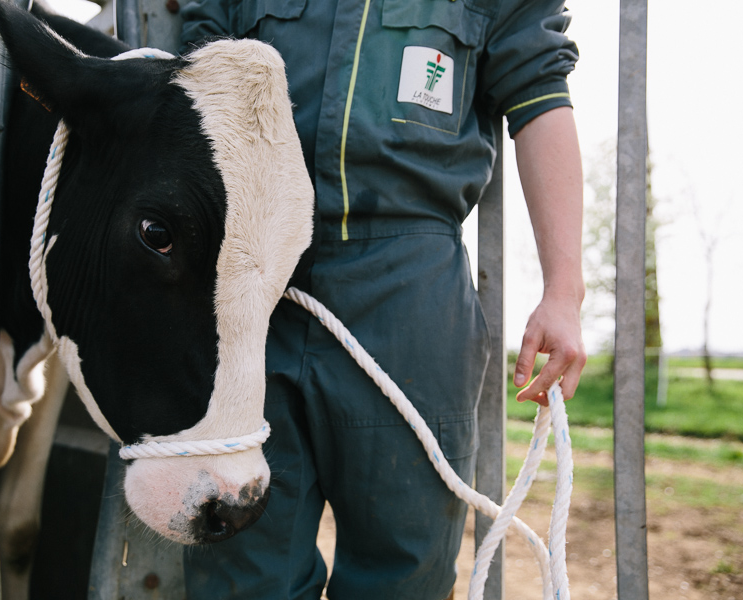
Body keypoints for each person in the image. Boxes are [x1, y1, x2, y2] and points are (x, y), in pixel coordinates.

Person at [179, 1, 586, 598]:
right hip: (251, 283)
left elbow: (542, 99)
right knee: (237, 569)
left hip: (410, 295)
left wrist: (564, 290)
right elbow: (193, 84)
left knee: (403, 574)